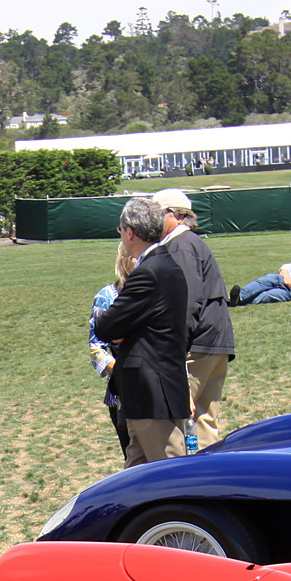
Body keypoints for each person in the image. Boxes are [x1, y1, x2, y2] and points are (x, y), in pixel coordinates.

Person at [93, 197, 192, 467]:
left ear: (129, 232)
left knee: (170, 477)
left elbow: (105, 326)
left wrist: (105, 317)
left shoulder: (149, 272)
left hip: (152, 396)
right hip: (153, 393)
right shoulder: (167, 265)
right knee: (135, 477)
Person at [150, 188, 237, 445]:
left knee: (176, 420)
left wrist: (174, 349)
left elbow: (185, 303)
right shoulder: (193, 243)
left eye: (157, 214)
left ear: (174, 215)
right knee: (205, 421)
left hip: (198, 346)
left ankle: (186, 481)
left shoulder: (180, 247)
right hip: (216, 342)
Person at [88, 239, 137, 457]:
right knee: (134, 462)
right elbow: (96, 349)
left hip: (160, 392)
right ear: (124, 261)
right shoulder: (107, 296)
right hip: (122, 397)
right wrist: (124, 373)